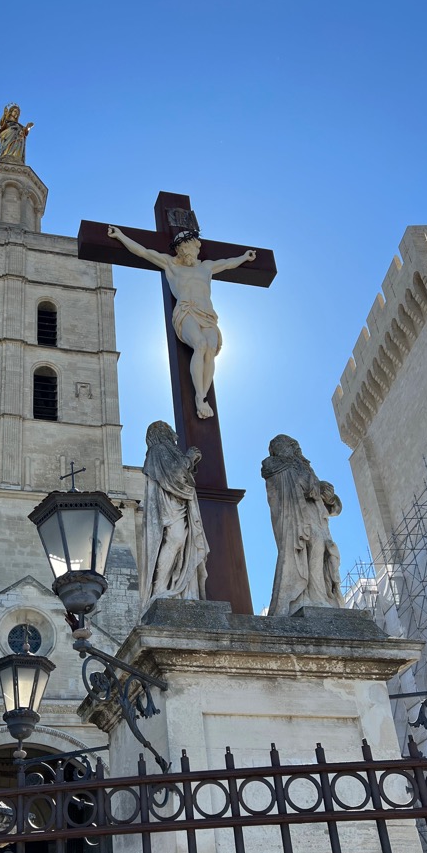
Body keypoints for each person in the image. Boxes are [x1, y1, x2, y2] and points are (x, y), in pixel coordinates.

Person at [107, 225, 256, 419]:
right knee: (200, 345)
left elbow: (228, 263)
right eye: (183, 250)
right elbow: (143, 252)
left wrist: (245, 257)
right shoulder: (171, 265)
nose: (188, 254)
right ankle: (200, 397)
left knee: (211, 348)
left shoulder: (207, 267)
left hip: (208, 315)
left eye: (191, 249)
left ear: (196, 248)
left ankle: (203, 394)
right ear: (178, 250)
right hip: (186, 311)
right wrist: (121, 236)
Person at [261, 434, 345, 616]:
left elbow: (329, 506)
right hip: (296, 521)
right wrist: (317, 486)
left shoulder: (305, 467)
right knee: (312, 546)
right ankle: (311, 597)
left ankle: (321, 597)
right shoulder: (274, 466)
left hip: (316, 519)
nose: (296, 449)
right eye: (290, 445)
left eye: (295, 445)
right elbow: (298, 485)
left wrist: (329, 497)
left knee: (324, 551)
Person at [140, 420, 209, 614]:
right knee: (175, 540)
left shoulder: (164, 451)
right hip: (170, 506)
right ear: (162, 432)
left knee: (182, 544)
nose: (175, 436)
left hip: (178, 505)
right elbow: (175, 475)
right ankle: (160, 588)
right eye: (171, 431)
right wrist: (189, 458)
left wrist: (189, 461)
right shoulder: (159, 451)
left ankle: (179, 588)